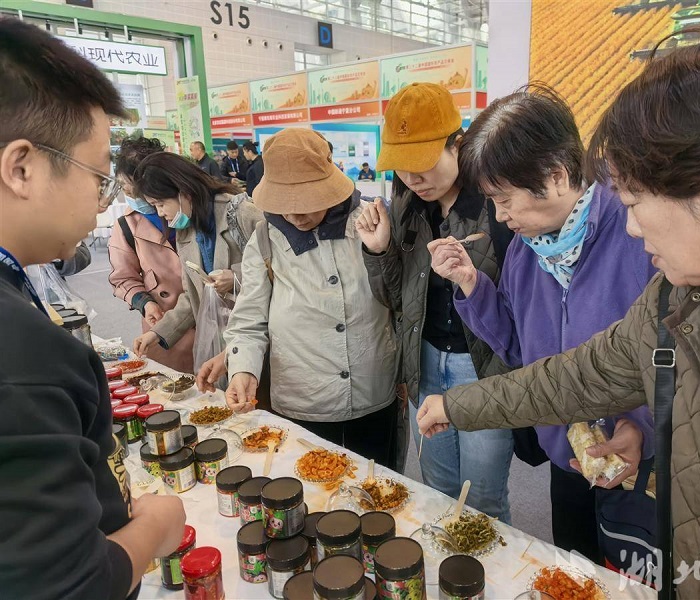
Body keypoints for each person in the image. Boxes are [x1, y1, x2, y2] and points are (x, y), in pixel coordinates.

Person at [418, 31, 700, 600]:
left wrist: (640, 429)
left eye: (635, 201)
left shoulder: (668, 268)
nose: (633, 226)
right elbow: (577, 374)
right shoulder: (678, 293)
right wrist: (457, 399)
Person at [427, 85, 656, 564]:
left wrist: (641, 426)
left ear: (555, 176)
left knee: (635, 580)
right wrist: (471, 283)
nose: (500, 215)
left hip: (642, 463)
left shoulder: (639, 234)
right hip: (568, 453)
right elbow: (518, 350)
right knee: (572, 567)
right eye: (491, 200)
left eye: (504, 199)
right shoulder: (525, 254)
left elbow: (675, 354)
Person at [0, 20, 185, 598]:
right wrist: (154, 529)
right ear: (22, 168)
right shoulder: (23, 354)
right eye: (98, 176)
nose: (102, 203)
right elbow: (67, 585)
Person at [356, 82, 516, 523]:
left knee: (483, 501)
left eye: (423, 164)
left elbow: (520, 306)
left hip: (482, 368)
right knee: (437, 492)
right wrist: (378, 250)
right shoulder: (406, 207)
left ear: (457, 144)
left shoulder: (496, 206)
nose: (413, 179)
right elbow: (394, 298)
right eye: (402, 167)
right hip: (424, 363)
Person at [208, 129, 399, 466]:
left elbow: (399, 300)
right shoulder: (265, 239)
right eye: (286, 204)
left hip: (372, 389)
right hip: (303, 398)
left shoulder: (372, 222)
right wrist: (243, 370)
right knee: (307, 485)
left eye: (308, 201)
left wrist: (381, 252)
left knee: (378, 486)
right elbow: (249, 322)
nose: (296, 215)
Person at [131, 153, 264, 365]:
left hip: (257, 339)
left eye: (161, 203)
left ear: (184, 192)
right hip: (219, 340)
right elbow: (192, 295)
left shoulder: (242, 214)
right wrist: (157, 333)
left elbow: (280, 267)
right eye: (154, 206)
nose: (160, 213)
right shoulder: (185, 229)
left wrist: (237, 277)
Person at [109, 137, 195, 373]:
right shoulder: (126, 225)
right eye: (122, 186)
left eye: (129, 186)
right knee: (173, 385)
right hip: (164, 325)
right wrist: (144, 303)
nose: (126, 192)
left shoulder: (189, 212)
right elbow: (123, 277)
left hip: (211, 319)